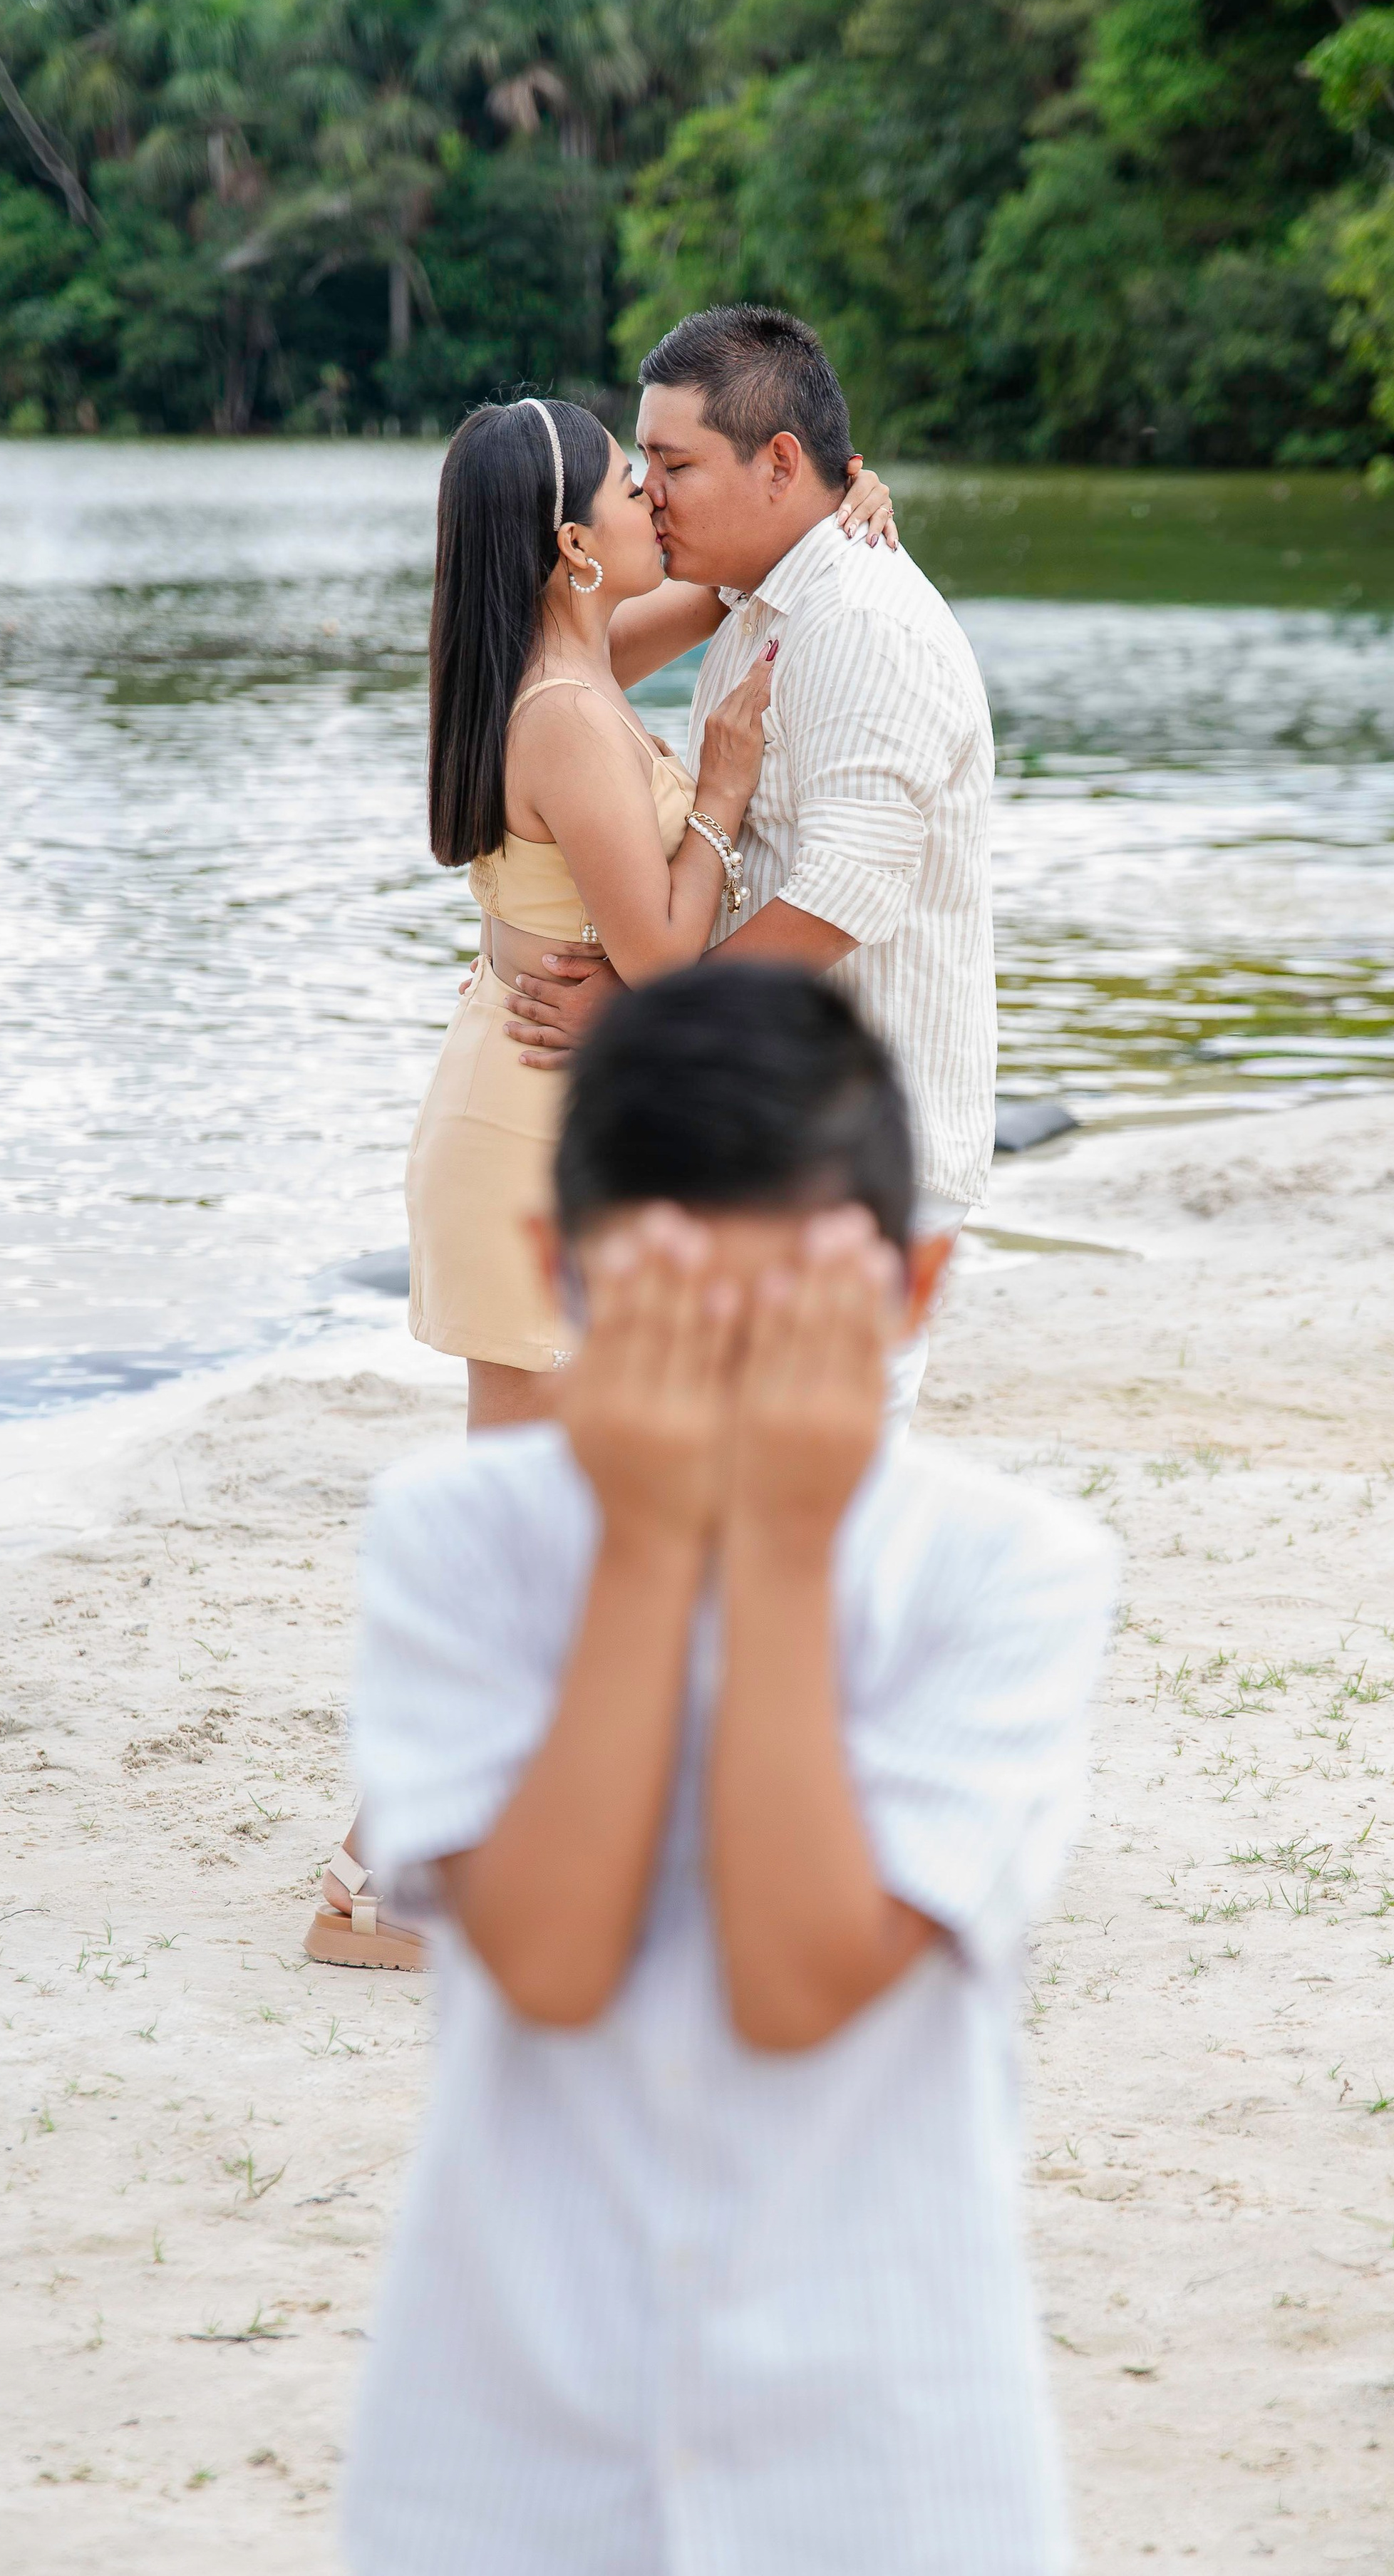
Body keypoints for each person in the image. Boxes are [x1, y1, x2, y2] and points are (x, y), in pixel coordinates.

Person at [340, 963, 1115, 2576]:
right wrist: (643, 1542)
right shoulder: (457, 1540)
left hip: (884, 2450)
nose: (726, 1379)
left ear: (907, 1293)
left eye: (778, 1324)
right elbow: (546, 1964)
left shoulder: (1001, 1571)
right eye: (674, 1321)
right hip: (505, 2454)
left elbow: (794, 1980)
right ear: (559, 1276)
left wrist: (767, 1548)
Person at [305, 398, 895, 1969]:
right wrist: (720, 777)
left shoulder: (564, 662)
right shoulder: (567, 711)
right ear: (574, 542)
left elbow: (712, 589)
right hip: (529, 1145)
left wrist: (830, 503)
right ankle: (381, 1874)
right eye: (636, 486)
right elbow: (658, 954)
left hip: (535, 1121)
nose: (658, 501)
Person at [503, 304, 996, 1431]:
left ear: (780, 464)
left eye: (672, 465)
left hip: (853, 1144)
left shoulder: (863, 620)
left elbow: (847, 889)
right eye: (644, 471)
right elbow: (558, 669)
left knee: (820, 1495)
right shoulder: (767, 597)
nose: (651, 495)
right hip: (771, 1126)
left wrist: (639, 1014)